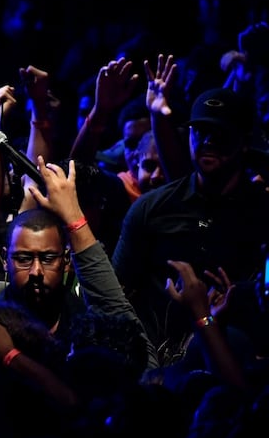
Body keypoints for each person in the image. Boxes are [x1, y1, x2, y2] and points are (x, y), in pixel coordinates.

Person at [113, 86, 269, 365]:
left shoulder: (262, 212)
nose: (207, 141)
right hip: (157, 363)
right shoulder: (152, 209)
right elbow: (116, 292)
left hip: (242, 361)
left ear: (244, 141)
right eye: (200, 131)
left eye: (219, 134)